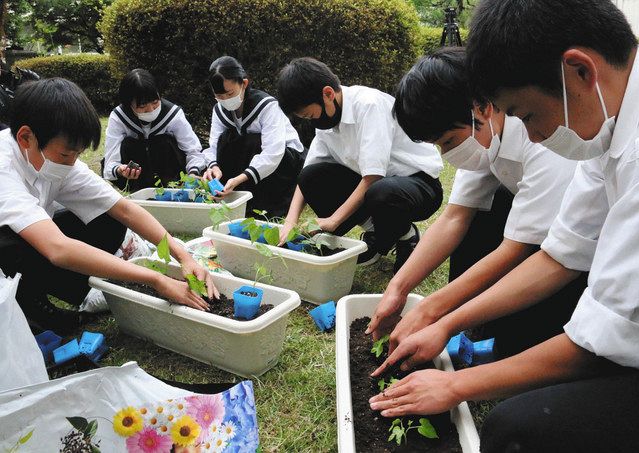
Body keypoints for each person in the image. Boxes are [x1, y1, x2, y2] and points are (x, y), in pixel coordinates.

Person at [368, 1, 639, 451]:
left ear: (579, 71)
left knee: (518, 428)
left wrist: (456, 385)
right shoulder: (606, 132)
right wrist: (441, 317)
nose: (532, 135)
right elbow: (559, 256)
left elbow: (599, 341)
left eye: (528, 115)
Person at [366, 47, 583, 358]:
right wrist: (397, 289)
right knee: (477, 220)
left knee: (522, 344)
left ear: (482, 107)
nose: (447, 154)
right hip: (537, 230)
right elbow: (455, 217)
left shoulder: (540, 137)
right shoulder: (485, 135)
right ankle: (478, 323)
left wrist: (433, 312)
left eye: (449, 141)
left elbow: (518, 249)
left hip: (576, 250)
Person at [0, 78, 217, 335]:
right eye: (66, 155)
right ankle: (30, 305)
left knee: (109, 220)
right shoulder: (4, 170)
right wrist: (156, 279)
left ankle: (78, 291)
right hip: (10, 251)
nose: (71, 164)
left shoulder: (57, 160)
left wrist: (183, 255)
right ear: (26, 137)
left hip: (37, 240)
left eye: (78, 155)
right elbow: (58, 249)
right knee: (10, 244)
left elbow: (123, 208)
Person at [276, 57, 444, 272]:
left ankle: (406, 236)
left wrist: (333, 221)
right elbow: (306, 176)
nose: (312, 121)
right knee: (311, 177)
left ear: (327, 94)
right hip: (377, 186)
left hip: (418, 185)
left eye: (310, 115)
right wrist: (290, 221)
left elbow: (374, 176)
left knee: (382, 191)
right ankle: (377, 233)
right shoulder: (326, 119)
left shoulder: (368, 105)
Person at [202, 56, 305, 217]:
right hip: (248, 161)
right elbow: (215, 144)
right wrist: (213, 167)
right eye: (219, 96)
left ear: (244, 84)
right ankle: (237, 199)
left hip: (283, 162)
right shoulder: (219, 110)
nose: (225, 100)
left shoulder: (267, 106)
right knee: (227, 140)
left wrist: (239, 179)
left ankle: (266, 205)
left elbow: (273, 152)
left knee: (252, 141)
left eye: (229, 93)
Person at [102, 69, 206, 191]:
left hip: (170, 172)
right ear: (129, 104)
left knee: (163, 141)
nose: (151, 110)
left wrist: (193, 173)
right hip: (136, 178)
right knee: (128, 144)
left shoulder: (173, 114)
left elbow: (193, 150)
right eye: (142, 106)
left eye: (155, 102)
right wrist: (120, 170)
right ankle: (135, 191)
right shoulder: (119, 118)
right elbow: (110, 160)